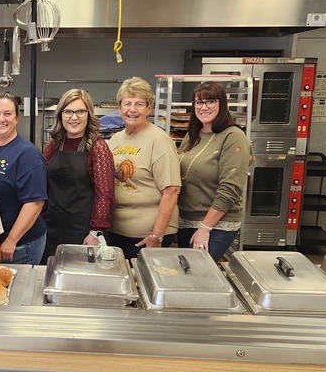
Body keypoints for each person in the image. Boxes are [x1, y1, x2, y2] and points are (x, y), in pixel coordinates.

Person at [106, 76, 181, 261]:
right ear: (119, 107)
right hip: (116, 231)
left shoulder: (160, 140)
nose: (132, 110)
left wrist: (157, 235)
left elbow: (171, 192)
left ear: (149, 107)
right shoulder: (115, 140)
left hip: (147, 235)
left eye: (139, 104)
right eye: (127, 104)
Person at [177, 80, 251, 262]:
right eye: (199, 102)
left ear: (222, 104)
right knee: (187, 272)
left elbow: (231, 188)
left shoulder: (233, 136)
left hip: (216, 223)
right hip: (186, 219)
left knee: (198, 272)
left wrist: (205, 228)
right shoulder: (193, 135)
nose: (204, 107)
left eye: (211, 101)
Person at [0, 94, 48, 265]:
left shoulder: (27, 154)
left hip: (18, 245)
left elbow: (35, 203)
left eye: (7, 114)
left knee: (19, 291)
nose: (1, 119)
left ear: (16, 118)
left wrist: (11, 240)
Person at [41, 88, 114, 260]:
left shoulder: (98, 147)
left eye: (80, 111)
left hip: (84, 231)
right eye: (68, 111)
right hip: (53, 227)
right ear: (60, 114)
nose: (74, 118)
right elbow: (45, 186)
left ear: (89, 114)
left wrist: (95, 232)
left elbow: (105, 194)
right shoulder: (53, 145)